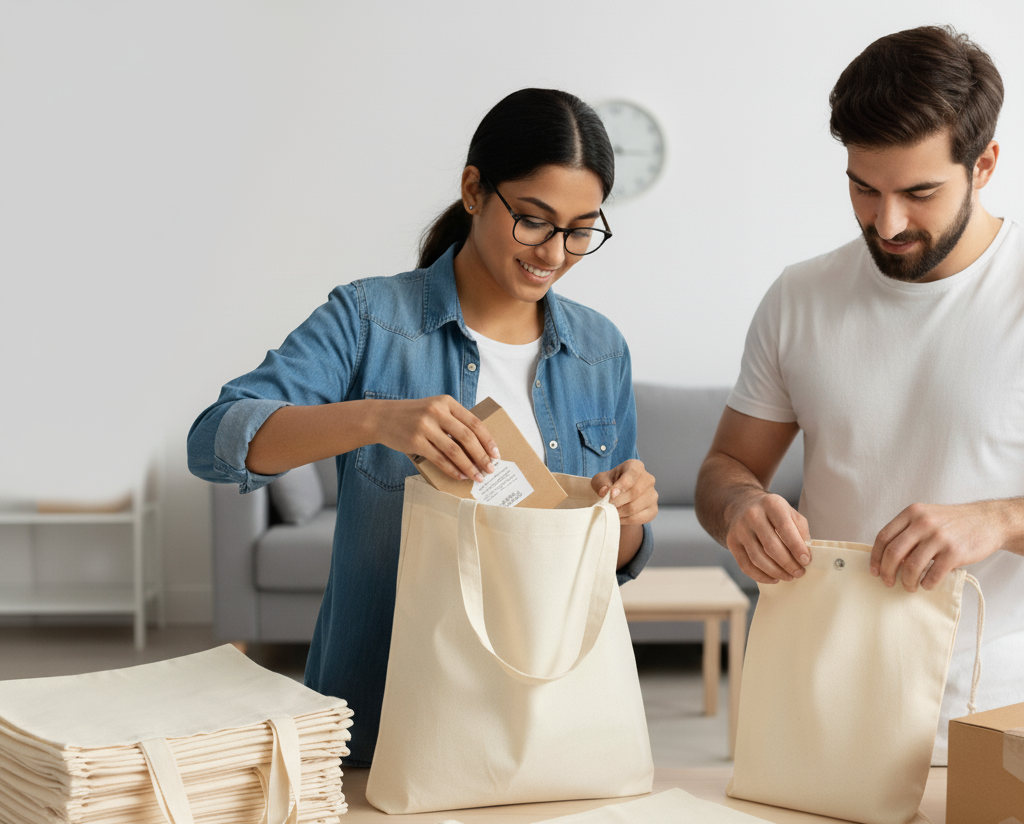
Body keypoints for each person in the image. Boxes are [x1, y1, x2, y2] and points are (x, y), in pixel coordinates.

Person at [188, 88, 658, 766]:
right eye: (533, 220)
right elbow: (214, 440)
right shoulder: (370, 319)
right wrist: (376, 418)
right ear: (474, 190)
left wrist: (628, 512)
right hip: (385, 718)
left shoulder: (600, 350)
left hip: (546, 724)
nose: (555, 253)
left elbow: (608, 561)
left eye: (581, 230)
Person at [695, 25, 1024, 764]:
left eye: (919, 193)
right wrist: (742, 508)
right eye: (863, 188)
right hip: (814, 707)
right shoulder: (800, 296)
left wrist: (1000, 520)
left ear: (984, 165)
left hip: (989, 718)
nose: (888, 222)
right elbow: (724, 469)